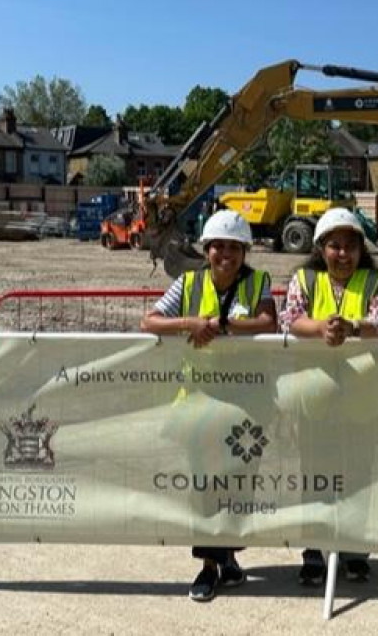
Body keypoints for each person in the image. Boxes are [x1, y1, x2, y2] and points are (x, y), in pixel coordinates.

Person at [140, 209, 277, 602]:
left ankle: (228, 555)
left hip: (247, 400)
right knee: (204, 481)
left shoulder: (258, 283)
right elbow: (149, 321)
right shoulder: (187, 283)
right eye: (218, 246)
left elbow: (269, 323)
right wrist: (188, 324)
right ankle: (209, 566)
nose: (226, 255)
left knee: (238, 482)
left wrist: (219, 325)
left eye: (234, 247)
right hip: (199, 399)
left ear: (245, 251)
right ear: (207, 248)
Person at [279, 207, 378, 585]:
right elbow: (291, 318)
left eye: (350, 246)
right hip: (314, 397)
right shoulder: (305, 279)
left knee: (358, 473)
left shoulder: (377, 280)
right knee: (315, 472)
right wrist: (321, 329)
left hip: (363, 397)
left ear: (362, 249)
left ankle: (354, 549)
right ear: (321, 248)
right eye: (334, 246)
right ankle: (314, 549)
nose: (343, 254)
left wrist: (353, 328)